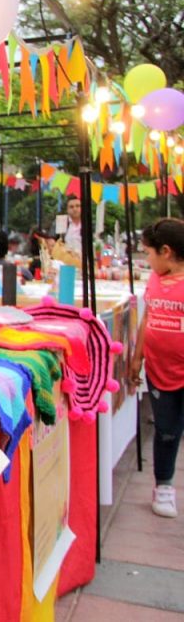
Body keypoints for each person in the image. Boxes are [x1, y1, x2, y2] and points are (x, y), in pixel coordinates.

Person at [129, 217, 184, 519]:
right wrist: (137, 357)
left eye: (148, 253)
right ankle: (164, 485)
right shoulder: (155, 279)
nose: (147, 260)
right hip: (159, 371)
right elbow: (147, 319)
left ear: (166, 251)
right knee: (165, 430)